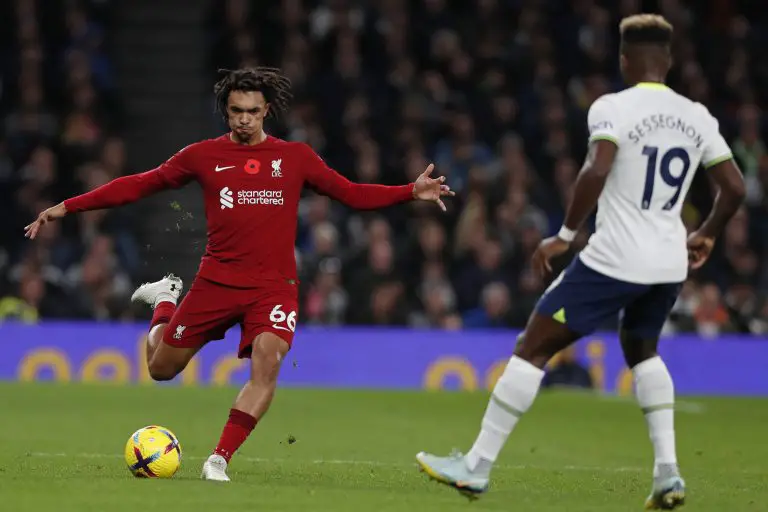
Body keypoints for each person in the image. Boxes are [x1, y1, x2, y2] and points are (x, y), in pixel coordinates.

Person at [24, 67, 454, 482]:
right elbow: (141, 183)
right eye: (236, 111)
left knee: (268, 363)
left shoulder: (295, 157)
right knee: (160, 370)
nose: (244, 119)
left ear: (267, 110)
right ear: (226, 112)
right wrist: (70, 205)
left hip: (273, 287)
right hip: (216, 282)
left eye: (252, 110)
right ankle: (165, 302)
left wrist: (408, 192)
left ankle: (219, 459)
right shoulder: (203, 156)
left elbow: (352, 194)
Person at [415, 14, 745, 510]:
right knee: (644, 351)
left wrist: (565, 235)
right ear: (670, 59)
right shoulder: (696, 114)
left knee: (531, 347)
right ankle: (668, 474)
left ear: (624, 59)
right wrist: (708, 234)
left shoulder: (613, 106)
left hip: (615, 258)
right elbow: (735, 188)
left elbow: (598, 166)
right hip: (669, 261)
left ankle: (477, 466)